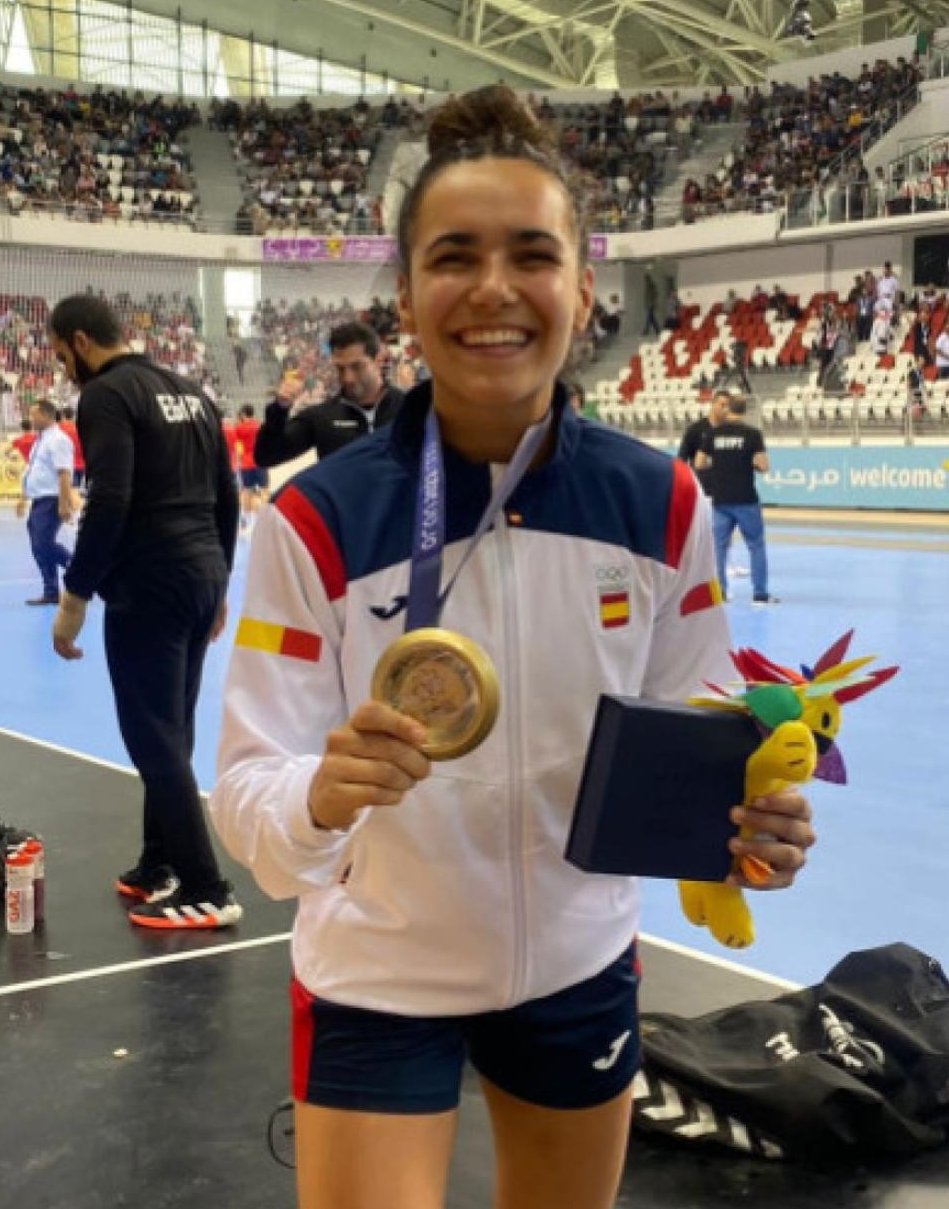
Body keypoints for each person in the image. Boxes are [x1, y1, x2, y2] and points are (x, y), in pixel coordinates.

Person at [209, 86, 814, 1209]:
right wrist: (319, 795)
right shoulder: (313, 522)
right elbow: (249, 800)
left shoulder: (663, 503)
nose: (493, 288)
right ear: (406, 294)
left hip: (579, 971)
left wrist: (747, 825)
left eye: (532, 254)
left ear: (585, 289)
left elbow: (700, 737)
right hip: (378, 977)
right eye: (454, 257)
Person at [46, 293, 242, 931]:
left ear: (79, 342)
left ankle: (206, 886)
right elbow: (227, 495)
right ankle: (160, 861)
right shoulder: (190, 390)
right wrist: (219, 583)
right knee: (173, 730)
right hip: (199, 570)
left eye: (59, 355)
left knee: (153, 738)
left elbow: (111, 501)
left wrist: (74, 596)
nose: (63, 369)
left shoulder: (105, 395)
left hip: (150, 582)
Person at [254, 322, 404, 469]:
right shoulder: (323, 417)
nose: (347, 378)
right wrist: (280, 408)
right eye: (340, 368)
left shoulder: (410, 408)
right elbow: (266, 456)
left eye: (357, 366)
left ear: (378, 360)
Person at [694, 394, 776, 605]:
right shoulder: (752, 434)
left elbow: (699, 463)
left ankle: (719, 593)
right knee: (756, 546)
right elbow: (764, 466)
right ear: (745, 411)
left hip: (721, 500)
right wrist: (750, 464)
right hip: (746, 499)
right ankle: (760, 595)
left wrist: (720, 463)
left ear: (727, 409)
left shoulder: (712, 434)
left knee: (718, 548)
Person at [17, 397, 77, 606]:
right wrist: (23, 497)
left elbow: (64, 473)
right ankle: (51, 592)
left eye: (34, 414)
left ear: (46, 415)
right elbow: (33, 470)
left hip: (51, 500)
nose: (31, 418)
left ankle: (79, 568)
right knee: (38, 547)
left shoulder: (58, 440)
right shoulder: (41, 440)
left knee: (43, 544)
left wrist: (63, 503)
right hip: (39, 500)